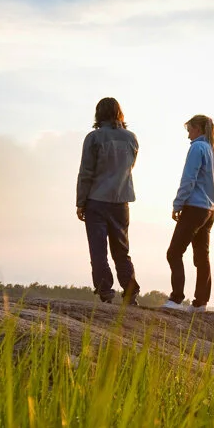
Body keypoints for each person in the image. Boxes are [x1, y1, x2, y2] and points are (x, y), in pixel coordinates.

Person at [75, 97, 140, 304]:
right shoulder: (131, 138)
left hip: (96, 200)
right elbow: (130, 167)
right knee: (122, 250)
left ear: (98, 114)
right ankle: (130, 292)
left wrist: (80, 202)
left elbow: (86, 172)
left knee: (98, 249)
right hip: (121, 202)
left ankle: (106, 293)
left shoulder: (94, 138)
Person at [163, 114, 214, 311]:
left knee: (174, 253)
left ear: (197, 128)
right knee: (201, 257)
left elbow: (189, 179)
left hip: (195, 207)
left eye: (189, 130)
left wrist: (178, 204)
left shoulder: (198, 148)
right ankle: (200, 303)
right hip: (209, 210)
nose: (188, 135)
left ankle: (176, 299)